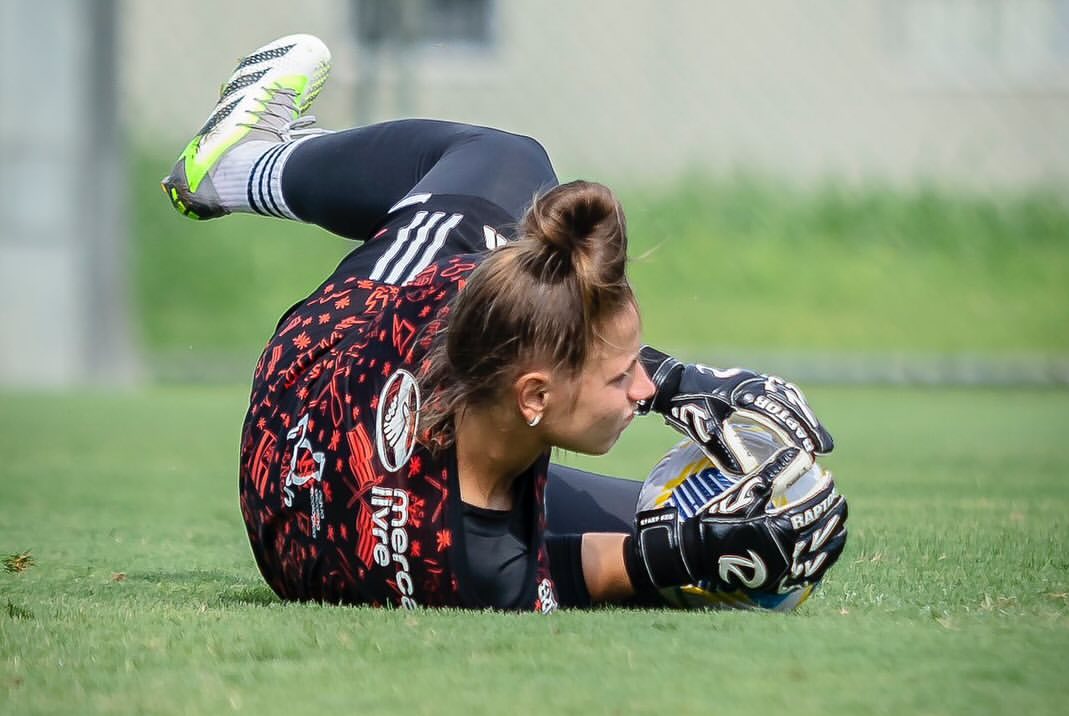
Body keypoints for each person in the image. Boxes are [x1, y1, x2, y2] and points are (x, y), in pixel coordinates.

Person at [162, 34, 847, 612]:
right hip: (309, 457)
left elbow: (527, 305)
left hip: (300, 403)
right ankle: (235, 164)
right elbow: (603, 567)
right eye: (626, 375)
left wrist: (683, 384)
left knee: (508, 162)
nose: (645, 392)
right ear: (534, 395)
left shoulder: (447, 302)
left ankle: (254, 161)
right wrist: (705, 546)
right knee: (517, 167)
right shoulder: (474, 565)